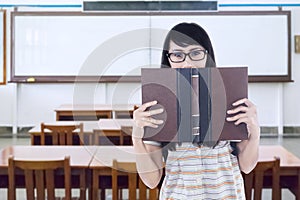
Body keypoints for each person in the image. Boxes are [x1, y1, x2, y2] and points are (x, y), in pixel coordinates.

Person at [132, 22, 260, 199]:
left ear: (207, 55)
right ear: (168, 59)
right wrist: (137, 138)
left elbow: (246, 166)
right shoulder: (158, 102)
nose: (187, 63)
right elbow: (152, 180)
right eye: (178, 55)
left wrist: (255, 132)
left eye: (195, 53)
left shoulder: (228, 93)